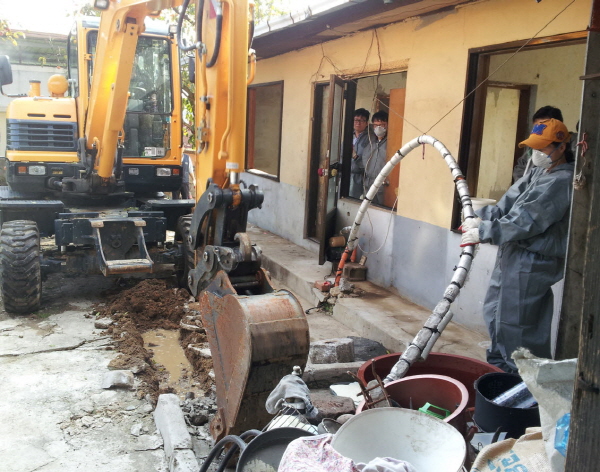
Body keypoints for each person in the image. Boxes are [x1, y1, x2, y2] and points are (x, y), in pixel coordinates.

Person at [461, 118, 575, 373]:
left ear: (561, 147)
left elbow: (528, 220)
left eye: (542, 148)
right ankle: (499, 373)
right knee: (495, 314)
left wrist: (485, 231)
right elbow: (510, 201)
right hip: (513, 252)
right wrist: (481, 217)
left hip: (533, 260)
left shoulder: (562, 181)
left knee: (519, 324)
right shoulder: (539, 171)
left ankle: (525, 382)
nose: (536, 154)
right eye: (534, 148)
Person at [512, 106, 563, 182]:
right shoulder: (532, 148)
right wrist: (522, 184)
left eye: (544, 127)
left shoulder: (573, 147)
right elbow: (521, 166)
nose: (539, 131)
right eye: (537, 127)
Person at [360, 111, 388, 205]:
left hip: (383, 185)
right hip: (368, 184)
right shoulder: (370, 141)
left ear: (388, 125)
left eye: (382, 125)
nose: (379, 128)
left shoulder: (391, 143)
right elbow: (364, 160)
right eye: (376, 125)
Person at [349, 108, 372, 199]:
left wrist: (355, 156)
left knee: (353, 201)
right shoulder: (348, 135)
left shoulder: (370, 138)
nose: (358, 123)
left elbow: (368, 161)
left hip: (359, 177)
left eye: (362, 120)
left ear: (367, 123)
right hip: (346, 174)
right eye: (356, 120)